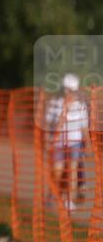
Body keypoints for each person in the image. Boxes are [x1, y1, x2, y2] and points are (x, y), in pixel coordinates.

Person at [45, 73, 90, 211]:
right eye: (69, 90)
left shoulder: (81, 105)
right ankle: (52, 194)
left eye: (73, 90)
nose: (70, 93)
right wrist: (48, 139)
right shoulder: (54, 103)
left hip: (75, 141)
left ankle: (69, 200)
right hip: (58, 141)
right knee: (57, 170)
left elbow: (84, 126)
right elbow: (48, 123)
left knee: (72, 170)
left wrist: (88, 144)